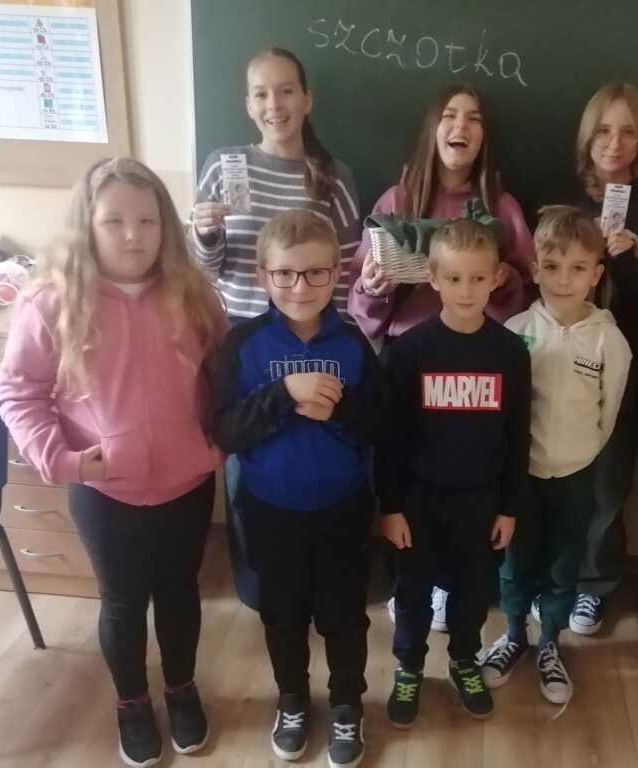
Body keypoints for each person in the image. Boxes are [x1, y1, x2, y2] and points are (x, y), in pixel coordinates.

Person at [0, 157, 226, 767]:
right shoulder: (51, 300)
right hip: (103, 489)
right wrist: (61, 459)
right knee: (122, 602)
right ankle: (132, 702)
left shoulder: (193, 293)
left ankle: (181, 689)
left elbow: (227, 373)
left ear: (166, 226)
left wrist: (220, 443)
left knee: (179, 593)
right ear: (88, 225)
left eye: (147, 220)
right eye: (114, 221)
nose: (132, 235)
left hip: (186, 481)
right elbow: (19, 392)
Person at [212, 210, 392, 768]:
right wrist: (283, 393)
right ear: (263, 276)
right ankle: (292, 699)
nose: (300, 287)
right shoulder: (242, 344)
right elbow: (225, 431)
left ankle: (346, 703)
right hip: (269, 510)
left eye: (316, 273)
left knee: (344, 616)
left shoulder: (354, 343)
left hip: (343, 508)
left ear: (337, 274)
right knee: (283, 615)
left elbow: (382, 425)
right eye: (285, 274)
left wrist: (339, 409)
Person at [350, 84, 534, 629]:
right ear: (433, 129)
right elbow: (362, 305)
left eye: (474, 118)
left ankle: (458, 589)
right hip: (412, 363)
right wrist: (374, 284)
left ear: (484, 136)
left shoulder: (500, 207)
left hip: (476, 366)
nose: (461, 126)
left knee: (466, 473)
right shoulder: (396, 201)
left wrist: (502, 282)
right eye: (450, 115)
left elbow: (524, 292)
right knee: (409, 467)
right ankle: (412, 581)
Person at [187, 48, 360, 609]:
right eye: (261, 93)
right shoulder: (223, 165)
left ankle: (321, 578)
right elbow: (204, 269)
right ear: (247, 104)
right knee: (247, 461)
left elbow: (346, 268)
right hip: (241, 334)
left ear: (307, 100)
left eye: (286, 90)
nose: (274, 103)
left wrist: (333, 336)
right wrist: (206, 233)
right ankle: (261, 585)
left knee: (310, 447)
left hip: (312, 333)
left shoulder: (333, 177)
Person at [378, 219, 531, 728]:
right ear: (433, 279)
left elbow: (519, 434)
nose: (466, 290)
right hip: (418, 499)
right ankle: (409, 666)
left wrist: (509, 506)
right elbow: (390, 439)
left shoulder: (510, 352)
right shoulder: (409, 351)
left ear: (496, 278)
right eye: (455, 278)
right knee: (414, 589)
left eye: (478, 278)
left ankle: (465, 658)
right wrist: (391, 506)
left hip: (481, 499)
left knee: (472, 588)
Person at [479, 206, 630, 704]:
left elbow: (608, 414)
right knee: (514, 561)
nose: (564, 279)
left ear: (596, 275)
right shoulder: (516, 330)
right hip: (520, 476)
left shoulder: (609, 340)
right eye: (552, 266)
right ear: (534, 270)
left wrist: (578, 454)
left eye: (578, 268)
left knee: (565, 565)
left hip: (576, 474)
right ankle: (514, 635)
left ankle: (549, 643)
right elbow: (504, 409)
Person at [541, 83, 638, 636]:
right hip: (558, 357)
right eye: (603, 130)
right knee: (549, 473)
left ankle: (593, 586)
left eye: (627, 132)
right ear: (587, 136)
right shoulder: (558, 197)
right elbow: (538, 272)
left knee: (607, 485)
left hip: (624, 364)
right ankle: (548, 576)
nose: (614, 143)